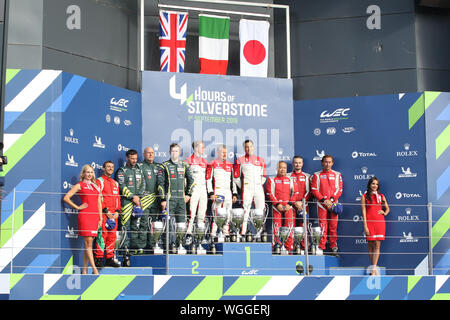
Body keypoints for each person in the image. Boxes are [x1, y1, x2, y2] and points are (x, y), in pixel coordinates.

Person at [63, 164, 102, 274]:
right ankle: (94, 269)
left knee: (88, 244)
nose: (89, 174)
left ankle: (84, 270)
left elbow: (99, 202)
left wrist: (100, 218)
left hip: (95, 217)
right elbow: (66, 197)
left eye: (91, 172)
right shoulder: (80, 185)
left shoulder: (96, 186)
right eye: (87, 172)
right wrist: (77, 207)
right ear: (83, 173)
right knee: (88, 243)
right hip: (85, 216)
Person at [160, 143, 195, 250]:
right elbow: (160, 183)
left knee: (181, 223)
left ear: (179, 152)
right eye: (173, 151)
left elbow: (192, 180)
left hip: (181, 199)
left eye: (176, 151)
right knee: (168, 224)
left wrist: (188, 194)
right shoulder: (164, 165)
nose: (174, 153)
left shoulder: (184, 165)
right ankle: (168, 246)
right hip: (169, 199)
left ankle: (179, 245)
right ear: (169, 152)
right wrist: (163, 199)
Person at [116, 149, 146, 265]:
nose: (134, 161)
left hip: (137, 202)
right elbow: (121, 185)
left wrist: (139, 197)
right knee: (125, 225)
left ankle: (133, 247)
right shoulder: (122, 171)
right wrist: (132, 197)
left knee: (136, 226)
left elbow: (143, 184)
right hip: (126, 202)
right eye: (132, 158)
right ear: (127, 158)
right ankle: (125, 249)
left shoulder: (139, 170)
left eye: (135, 158)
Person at [310, 154, 343, 256]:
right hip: (322, 204)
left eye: (329, 162)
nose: (327, 164)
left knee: (333, 227)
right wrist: (324, 200)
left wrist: (331, 200)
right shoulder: (317, 175)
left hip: (333, 204)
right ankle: (321, 247)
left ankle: (333, 247)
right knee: (322, 226)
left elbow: (339, 189)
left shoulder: (337, 174)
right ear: (322, 163)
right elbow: (314, 189)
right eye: (325, 162)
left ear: (332, 163)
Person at [233, 139, 267, 240]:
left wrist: (258, 184)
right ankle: (242, 233)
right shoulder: (240, 160)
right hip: (247, 188)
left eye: (250, 146)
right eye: (246, 147)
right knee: (246, 210)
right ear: (244, 148)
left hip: (258, 188)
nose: (249, 148)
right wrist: (244, 186)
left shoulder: (261, 160)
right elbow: (236, 177)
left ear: (253, 147)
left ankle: (260, 234)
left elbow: (264, 176)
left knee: (260, 211)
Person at [266, 161, 299, 253]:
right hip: (277, 207)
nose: (283, 169)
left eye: (284, 168)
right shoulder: (272, 179)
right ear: (277, 168)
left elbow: (295, 193)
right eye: (281, 167)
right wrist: (277, 204)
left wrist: (289, 204)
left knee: (289, 226)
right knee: (276, 227)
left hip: (289, 207)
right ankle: (277, 247)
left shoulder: (290, 180)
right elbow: (270, 193)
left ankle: (289, 248)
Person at [206, 144, 238, 239]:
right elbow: (208, 179)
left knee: (228, 215)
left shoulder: (229, 165)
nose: (224, 154)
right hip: (217, 192)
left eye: (225, 152)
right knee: (217, 214)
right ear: (217, 153)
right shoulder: (213, 163)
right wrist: (211, 193)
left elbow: (233, 181)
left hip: (228, 192)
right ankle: (212, 235)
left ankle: (226, 235)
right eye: (222, 152)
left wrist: (235, 193)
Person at [94, 161, 121, 268]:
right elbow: (99, 197)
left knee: (112, 237)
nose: (110, 168)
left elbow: (118, 198)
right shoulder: (99, 181)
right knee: (102, 236)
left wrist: (118, 211)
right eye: (108, 167)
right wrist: (106, 211)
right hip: (104, 214)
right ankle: (99, 259)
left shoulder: (115, 183)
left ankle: (109, 258)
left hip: (114, 216)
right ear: (103, 168)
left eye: (112, 167)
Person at [361, 177, 390, 275]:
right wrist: (365, 225)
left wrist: (384, 212)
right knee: (370, 245)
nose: (375, 186)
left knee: (377, 245)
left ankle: (373, 268)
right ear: (369, 184)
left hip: (379, 222)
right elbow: (363, 211)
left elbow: (387, 209)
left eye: (376, 184)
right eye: (373, 183)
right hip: (369, 223)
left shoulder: (381, 196)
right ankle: (373, 267)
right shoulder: (364, 196)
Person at [140, 147, 165, 252]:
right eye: (148, 153)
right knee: (143, 223)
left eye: (152, 153)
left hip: (156, 200)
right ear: (144, 154)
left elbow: (163, 183)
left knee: (154, 224)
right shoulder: (139, 166)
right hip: (145, 200)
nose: (150, 155)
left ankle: (152, 245)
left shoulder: (159, 167)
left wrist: (163, 198)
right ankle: (141, 246)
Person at [184, 141, 208, 242]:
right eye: (202, 147)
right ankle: (187, 235)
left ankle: (200, 235)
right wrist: (186, 192)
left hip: (203, 189)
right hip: (193, 190)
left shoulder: (204, 162)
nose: (203, 149)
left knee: (202, 213)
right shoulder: (187, 161)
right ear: (196, 148)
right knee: (191, 213)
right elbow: (184, 178)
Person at [288, 155, 311, 251]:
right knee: (290, 226)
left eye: (299, 162)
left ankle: (304, 247)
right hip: (291, 206)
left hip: (303, 205)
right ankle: (290, 247)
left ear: (302, 164)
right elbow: (286, 192)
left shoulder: (307, 176)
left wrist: (301, 202)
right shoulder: (288, 176)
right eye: (296, 162)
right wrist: (294, 202)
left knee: (303, 226)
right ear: (293, 164)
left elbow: (309, 191)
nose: (297, 164)